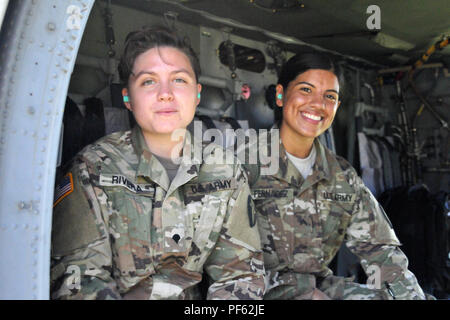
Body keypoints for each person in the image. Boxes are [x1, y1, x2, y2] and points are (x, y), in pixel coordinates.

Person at [50, 26, 265, 300]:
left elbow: (242, 275)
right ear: (127, 97)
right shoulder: (92, 169)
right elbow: (76, 284)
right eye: (148, 81)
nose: (166, 93)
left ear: (197, 94)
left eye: (179, 80)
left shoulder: (225, 170)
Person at [245, 52, 430, 300]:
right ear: (280, 95)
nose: (318, 104)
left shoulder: (342, 176)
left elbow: (380, 251)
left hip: (321, 290)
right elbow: (217, 263)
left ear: (336, 107)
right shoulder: (240, 167)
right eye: (306, 90)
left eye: (329, 97)